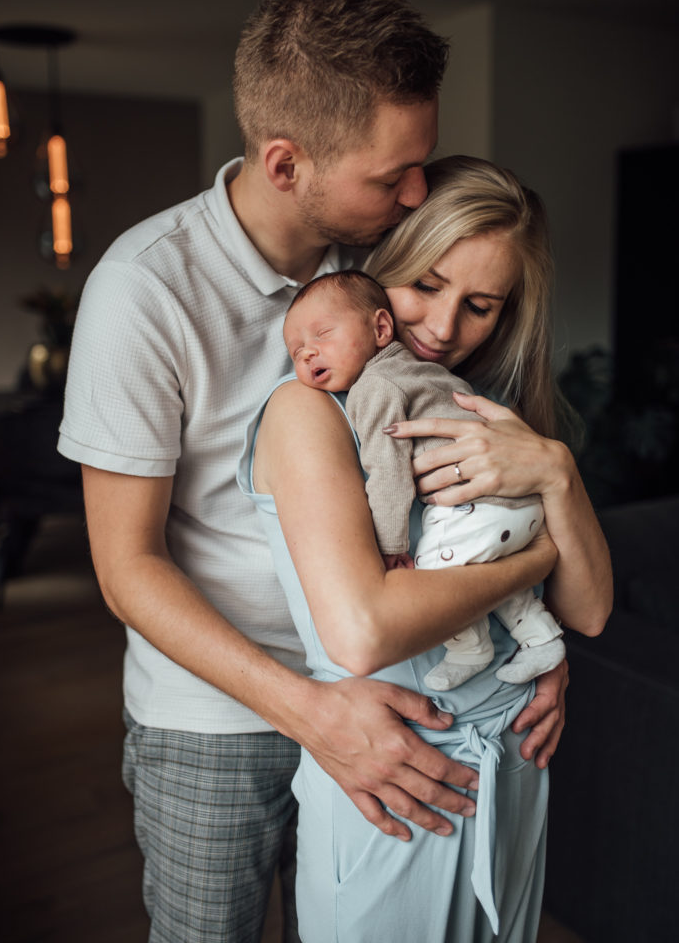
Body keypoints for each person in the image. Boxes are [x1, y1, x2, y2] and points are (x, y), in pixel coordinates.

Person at [58, 0, 573, 943]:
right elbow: (128, 567)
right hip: (220, 712)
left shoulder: (389, 265)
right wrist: (311, 710)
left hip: (408, 687)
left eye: (421, 164)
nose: (419, 191)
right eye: (393, 175)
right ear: (286, 162)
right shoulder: (144, 289)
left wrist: (518, 643)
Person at [239, 155, 612, 941]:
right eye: (426, 286)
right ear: (381, 270)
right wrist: (537, 560)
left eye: (480, 305)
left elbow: (593, 610)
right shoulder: (311, 413)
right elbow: (366, 629)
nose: (445, 328)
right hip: (392, 774)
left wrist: (555, 469)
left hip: (516, 757)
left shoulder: (489, 412)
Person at [282, 268, 566, 690]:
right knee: (482, 564)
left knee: (437, 575)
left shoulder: (374, 387)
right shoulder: (419, 371)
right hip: (520, 511)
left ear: (380, 328)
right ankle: (540, 637)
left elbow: (389, 472)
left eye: (322, 334)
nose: (308, 353)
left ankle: (470, 648)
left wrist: (392, 546)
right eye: (296, 350)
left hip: (479, 506)